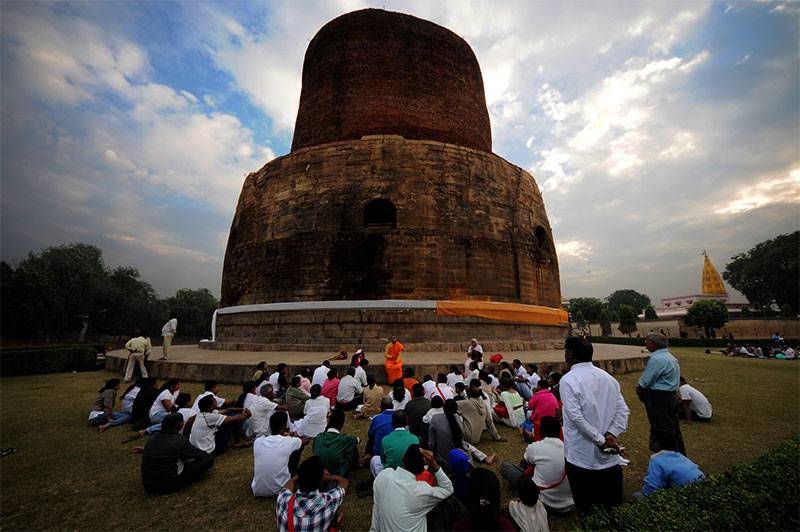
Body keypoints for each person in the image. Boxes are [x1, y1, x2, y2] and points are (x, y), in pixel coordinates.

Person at [560, 336, 629, 514]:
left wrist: (601, 440)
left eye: (566, 350)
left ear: (571, 354)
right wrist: (610, 436)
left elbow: (576, 417)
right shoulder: (608, 378)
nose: (565, 353)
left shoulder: (568, 380)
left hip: (581, 459)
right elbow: (623, 411)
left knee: (587, 510)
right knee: (611, 509)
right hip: (609, 458)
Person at [371, 444, 455, 532]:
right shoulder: (420, 490)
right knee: (447, 504)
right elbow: (448, 489)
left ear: (403, 458)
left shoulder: (383, 476)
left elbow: (376, 513)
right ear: (423, 469)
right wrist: (435, 466)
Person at [500, 416, 574, 515]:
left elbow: (526, 460)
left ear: (541, 431)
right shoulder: (569, 449)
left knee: (505, 466)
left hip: (541, 500)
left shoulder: (536, 447)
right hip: (568, 504)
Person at [636, 332, 686, 455]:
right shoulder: (670, 357)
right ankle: (680, 454)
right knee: (673, 429)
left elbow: (645, 382)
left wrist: (641, 391)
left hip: (659, 398)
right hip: (671, 397)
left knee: (661, 430)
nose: (645, 344)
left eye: (647, 342)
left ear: (653, 344)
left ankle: (667, 457)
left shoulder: (657, 359)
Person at [140, 413, 213, 495]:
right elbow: (201, 455)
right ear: (179, 424)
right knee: (208, 459)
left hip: (148, 486)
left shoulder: (151, 440)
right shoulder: (178, 441)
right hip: (168, 485)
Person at [276, 456, 348, 532]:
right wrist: (329, 477)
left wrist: (303, 474)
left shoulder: (282, 498)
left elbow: (290, 482)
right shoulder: (328, 503)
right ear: (320, 480)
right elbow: (344, 482)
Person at [252, 411, 310, 497]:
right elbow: (306, 440)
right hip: (282, 488)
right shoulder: (289, 441)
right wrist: (294, 436)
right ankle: (293, 471)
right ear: (285, 426)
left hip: (257, 490)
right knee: (299, 446)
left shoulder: (258, 442)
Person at [637, 429, 704, 498]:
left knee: (638, 496)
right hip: (704, 490)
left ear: (656, 444)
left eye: (650, 440)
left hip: (689, 497)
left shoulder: (657, 460)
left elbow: (650, 488)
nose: (649, 442)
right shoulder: (680, 456)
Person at [430, 399, 495, 468]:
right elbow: (460, 437)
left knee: (464, 444)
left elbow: (431, 443)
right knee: (465, 444)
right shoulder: (457, 418)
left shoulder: (435, 418)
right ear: (456, 409)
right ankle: (484, 457)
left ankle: (484, 457)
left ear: (443, 407)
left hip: (442, 460)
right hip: (460, 461)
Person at [184, 394, 251, 456]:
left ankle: (241, 439)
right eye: (214, 401)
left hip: (199, 448)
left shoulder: (202, 413)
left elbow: (228, 410)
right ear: (210, 406)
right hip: (209, 451)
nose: (216, 401)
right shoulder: (210, 417)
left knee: (230, 414)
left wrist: (242, 409)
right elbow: (236, 418)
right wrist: (246, 414)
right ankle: (242, 439)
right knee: (232, 421)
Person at [313, 408, 360, 477]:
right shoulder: (345, 439)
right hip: (337, 473)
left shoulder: (318, 437)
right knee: (352, 446)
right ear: (342, 423)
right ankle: (357, 464)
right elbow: (358, 440)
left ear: (328, 421)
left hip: (319, 470)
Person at [373, 410, 419, 477]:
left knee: (374, 459)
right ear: (407, 422)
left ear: (392, 423)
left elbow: (383, 461)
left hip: (391, 476)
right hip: (410, 475)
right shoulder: (415, 439)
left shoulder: (385, 440)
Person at [366, 397, 395, 469]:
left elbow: (370, 435)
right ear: (392, 406)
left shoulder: (376, 418)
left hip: (379, 453)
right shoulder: (398, 416)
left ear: (381, 407)